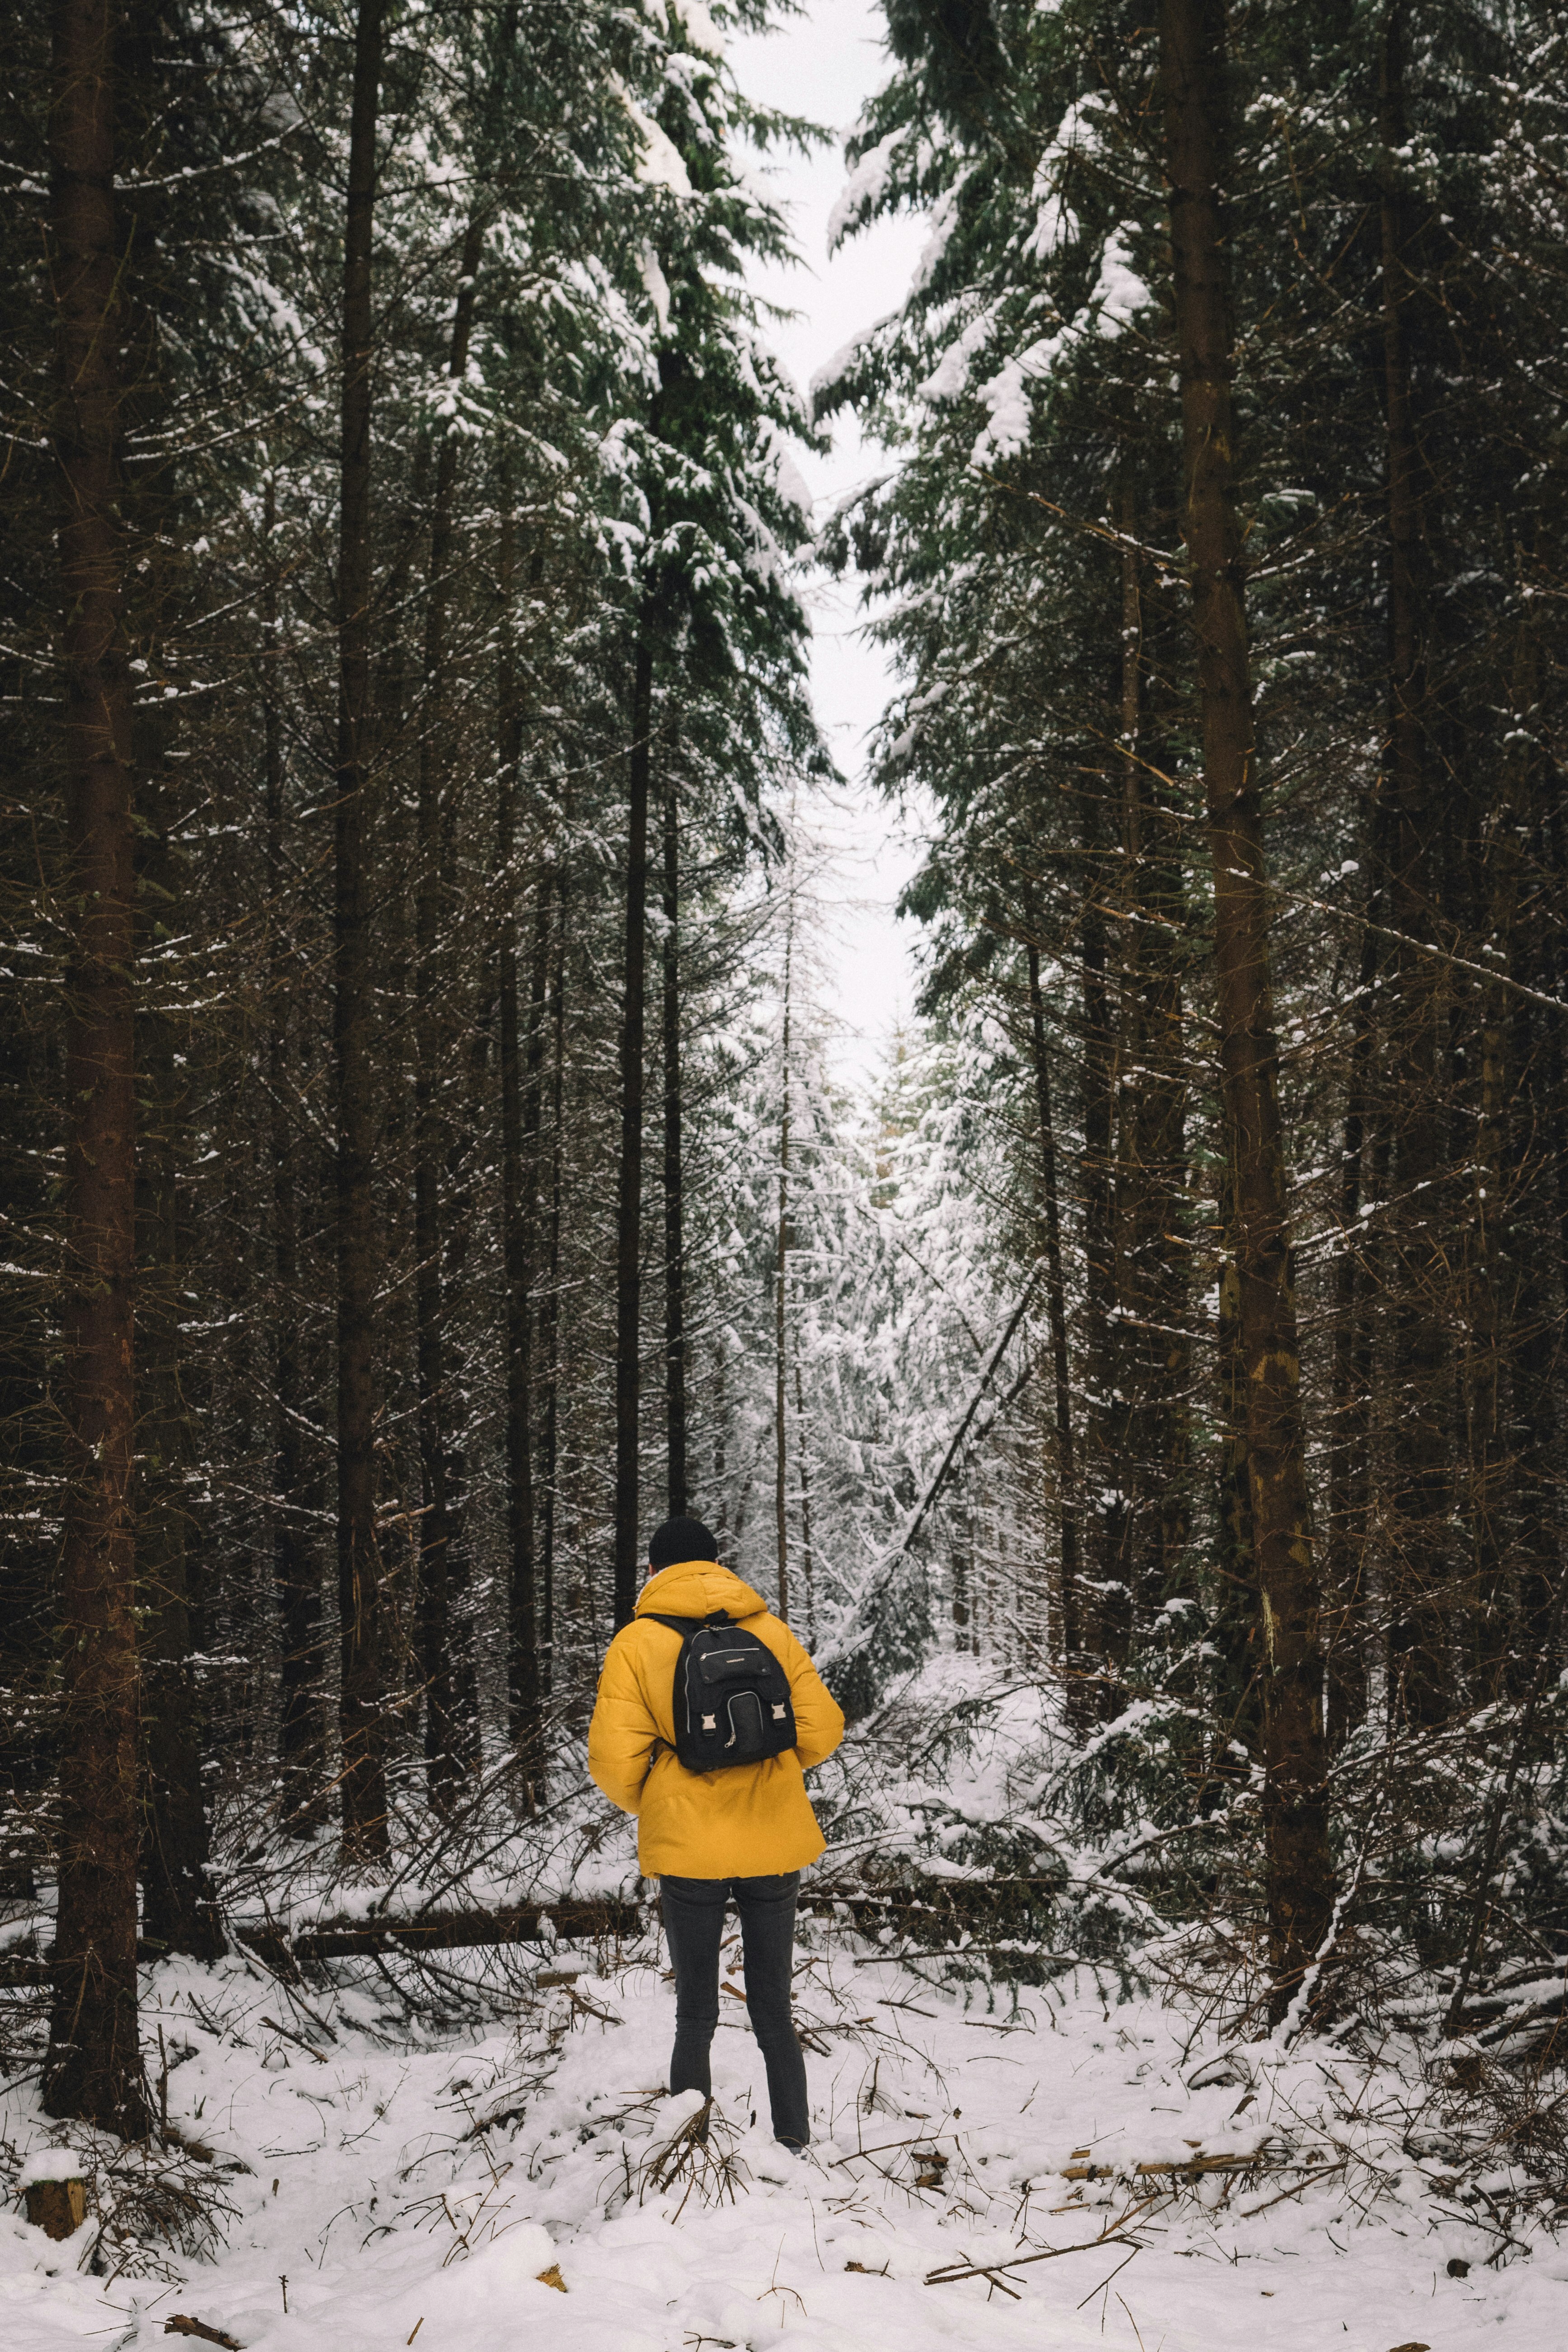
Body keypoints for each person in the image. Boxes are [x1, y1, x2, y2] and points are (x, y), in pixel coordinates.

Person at [587, 1515, 844, 2149]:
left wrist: (660, 1795)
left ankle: (691, 2155)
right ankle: (794, 2145)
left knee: (696, 2013)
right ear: (716, 1564)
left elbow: (612, 1763)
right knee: (774, 2011)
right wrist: (772, 1771)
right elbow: (823, 1729)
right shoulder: (768, 1629)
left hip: (689, 1844)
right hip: (774, 1837)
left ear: (653, 1571)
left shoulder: (636, 1642)